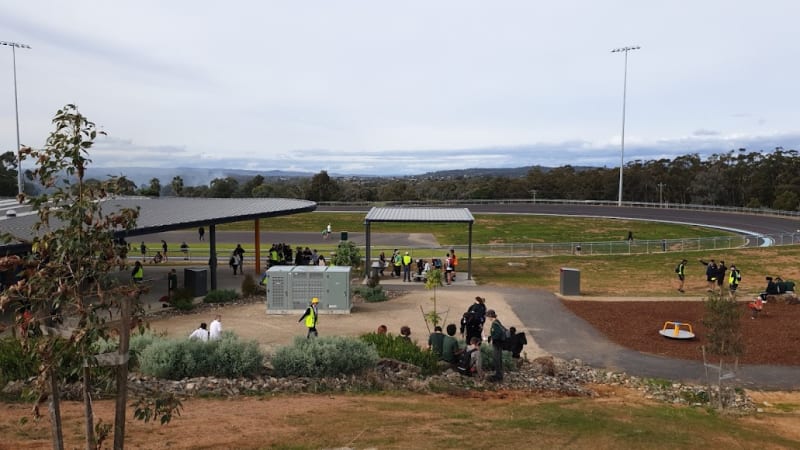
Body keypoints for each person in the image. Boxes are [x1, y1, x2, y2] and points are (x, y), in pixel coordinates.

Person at [486, 309, 506, 382]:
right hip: (499, 344)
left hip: (497, 344)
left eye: (488, 316)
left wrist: (492, 338)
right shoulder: (497, 322)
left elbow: (498, 334)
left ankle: (498, 375)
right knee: (498, 359)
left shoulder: (495, 324)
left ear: (491, 316)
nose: (487, 318)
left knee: (496, 359)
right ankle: (499, 374)